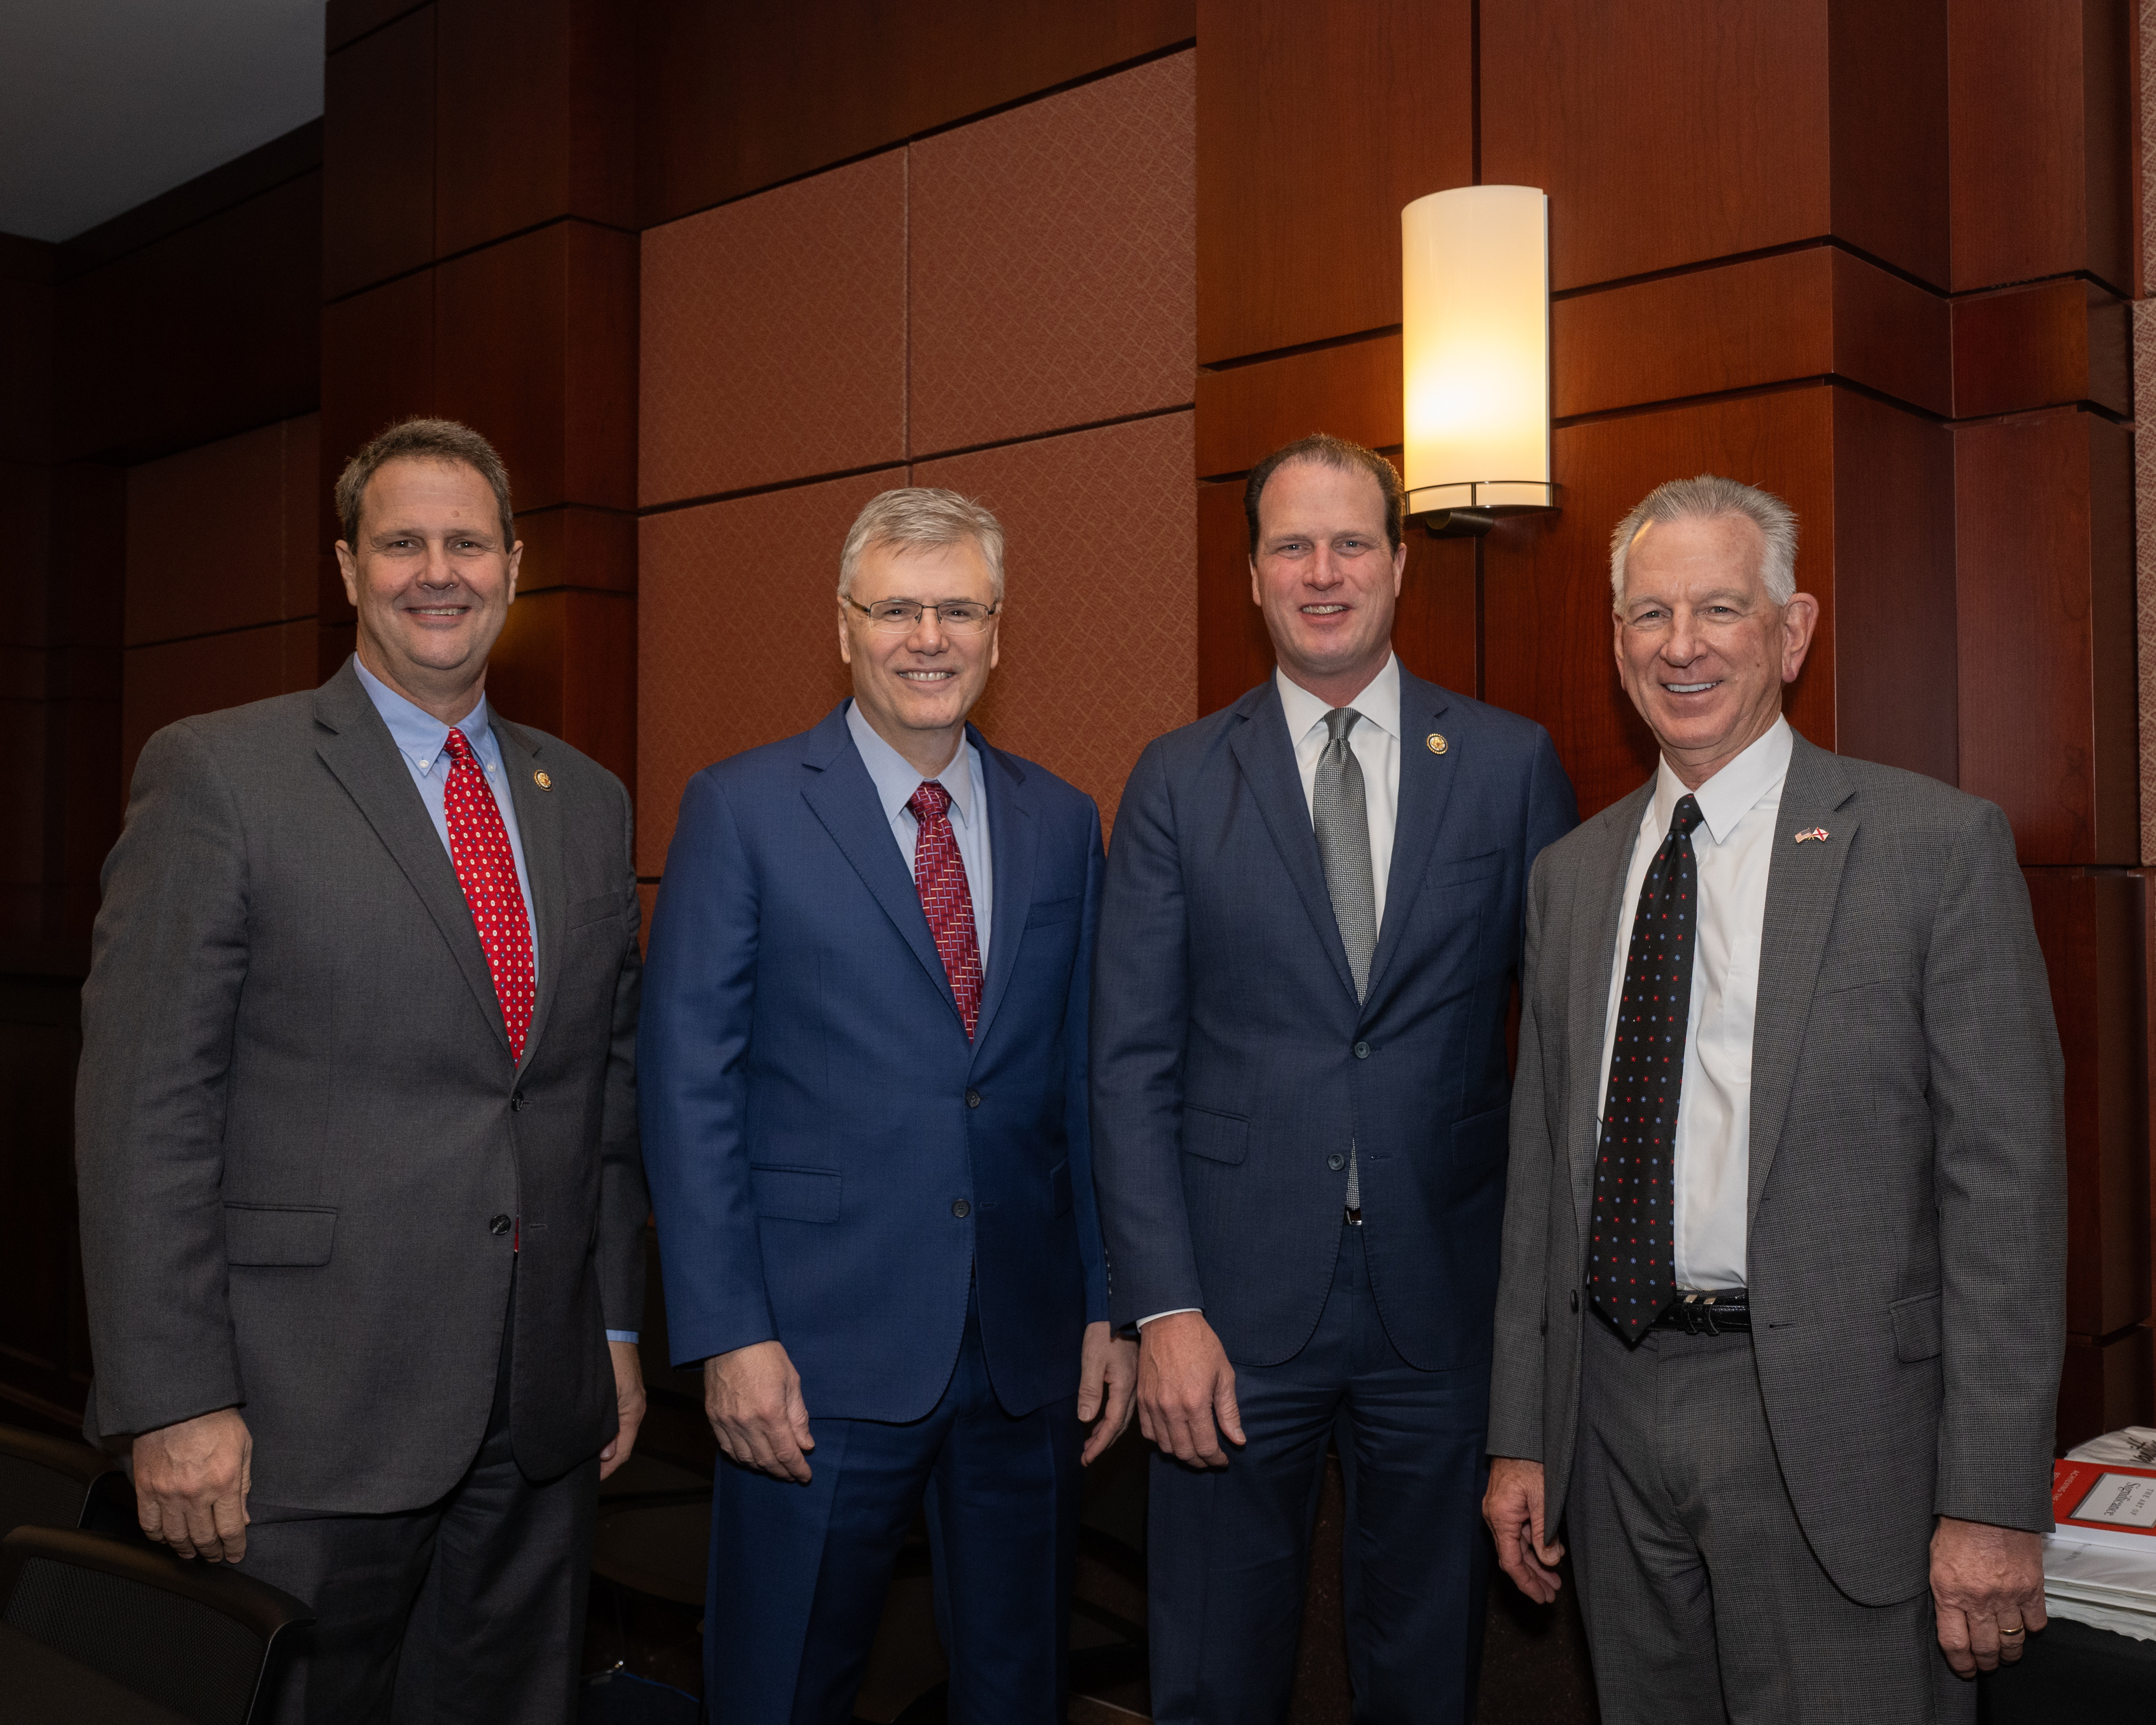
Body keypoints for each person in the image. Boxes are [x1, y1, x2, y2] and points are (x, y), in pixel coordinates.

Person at [74, 417, 650, 1722]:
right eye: (402, 543)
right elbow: (142, 1113)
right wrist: (175, 1398)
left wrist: (611, 1327)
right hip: (304, 1418)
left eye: (466, 542)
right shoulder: (223, 773)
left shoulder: (590, 800)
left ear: (514, 566)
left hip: (535, 1416)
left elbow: (595, 1098)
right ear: (347, 568)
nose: (435, 571)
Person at [1483, 474, 2066, 1722]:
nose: (1680, 646)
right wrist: (1523, 1435)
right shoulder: (1572, 878)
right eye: (1648, 615)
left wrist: (1994, 1496)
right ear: (1617, 643)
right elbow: (1542, 1181)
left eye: (1719, 610)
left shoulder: (1930, 848)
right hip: (1615, 1411)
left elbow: (2006, 1197)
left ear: (1792, 632)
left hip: (1835, 1427)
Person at [1090, 433, 1576, 1722]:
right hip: (1230, 1315)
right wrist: (1163, 1310)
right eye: (1292, 545)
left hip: (1443, 1301)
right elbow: (1127, 1068)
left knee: (1426, 1668)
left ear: (1400, 564)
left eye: (1351, 541)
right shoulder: (1178, 781)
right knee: (1211, 1668)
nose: (1323, 571)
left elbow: (1563, 1055)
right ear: (1252, 575)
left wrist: (1538, 1319)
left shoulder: (1509, 763)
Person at [638, 486, 1135, 1723]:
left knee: (1018, 1689)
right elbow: (685, 1084)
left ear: (998, 631)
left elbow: (1086, 1084)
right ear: (846, 626)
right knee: (785, 1683)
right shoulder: (741, 809)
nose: (930, 638)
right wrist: (727, 1336)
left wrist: (1107, 1306)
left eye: (958, 610)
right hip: (812, 1355)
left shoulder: (1064, 822)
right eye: (899, 609)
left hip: (1023, 1354)